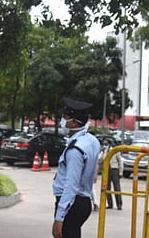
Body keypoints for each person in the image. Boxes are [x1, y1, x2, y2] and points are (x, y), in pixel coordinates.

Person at [52, 98, 100, 238]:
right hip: (83, 202)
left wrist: (59, 217)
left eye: (65, 118)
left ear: (74, 122)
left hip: (71, 205)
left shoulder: (75, 150)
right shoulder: (92, 141)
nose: (62, 120)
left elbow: (71, 186)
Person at [98, 138, 123, 210]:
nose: (104, 145)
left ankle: (119, 204)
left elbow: (120, 161)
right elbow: (99, 160)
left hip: (114, 169)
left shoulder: (115, 151)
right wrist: (102, 152)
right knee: (107, 187)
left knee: (116, 188)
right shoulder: (104, 151)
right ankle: (110, 204)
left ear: (109, 144)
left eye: (106, 144)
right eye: (104, 144)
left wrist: (121, 172)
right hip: (106, 170)